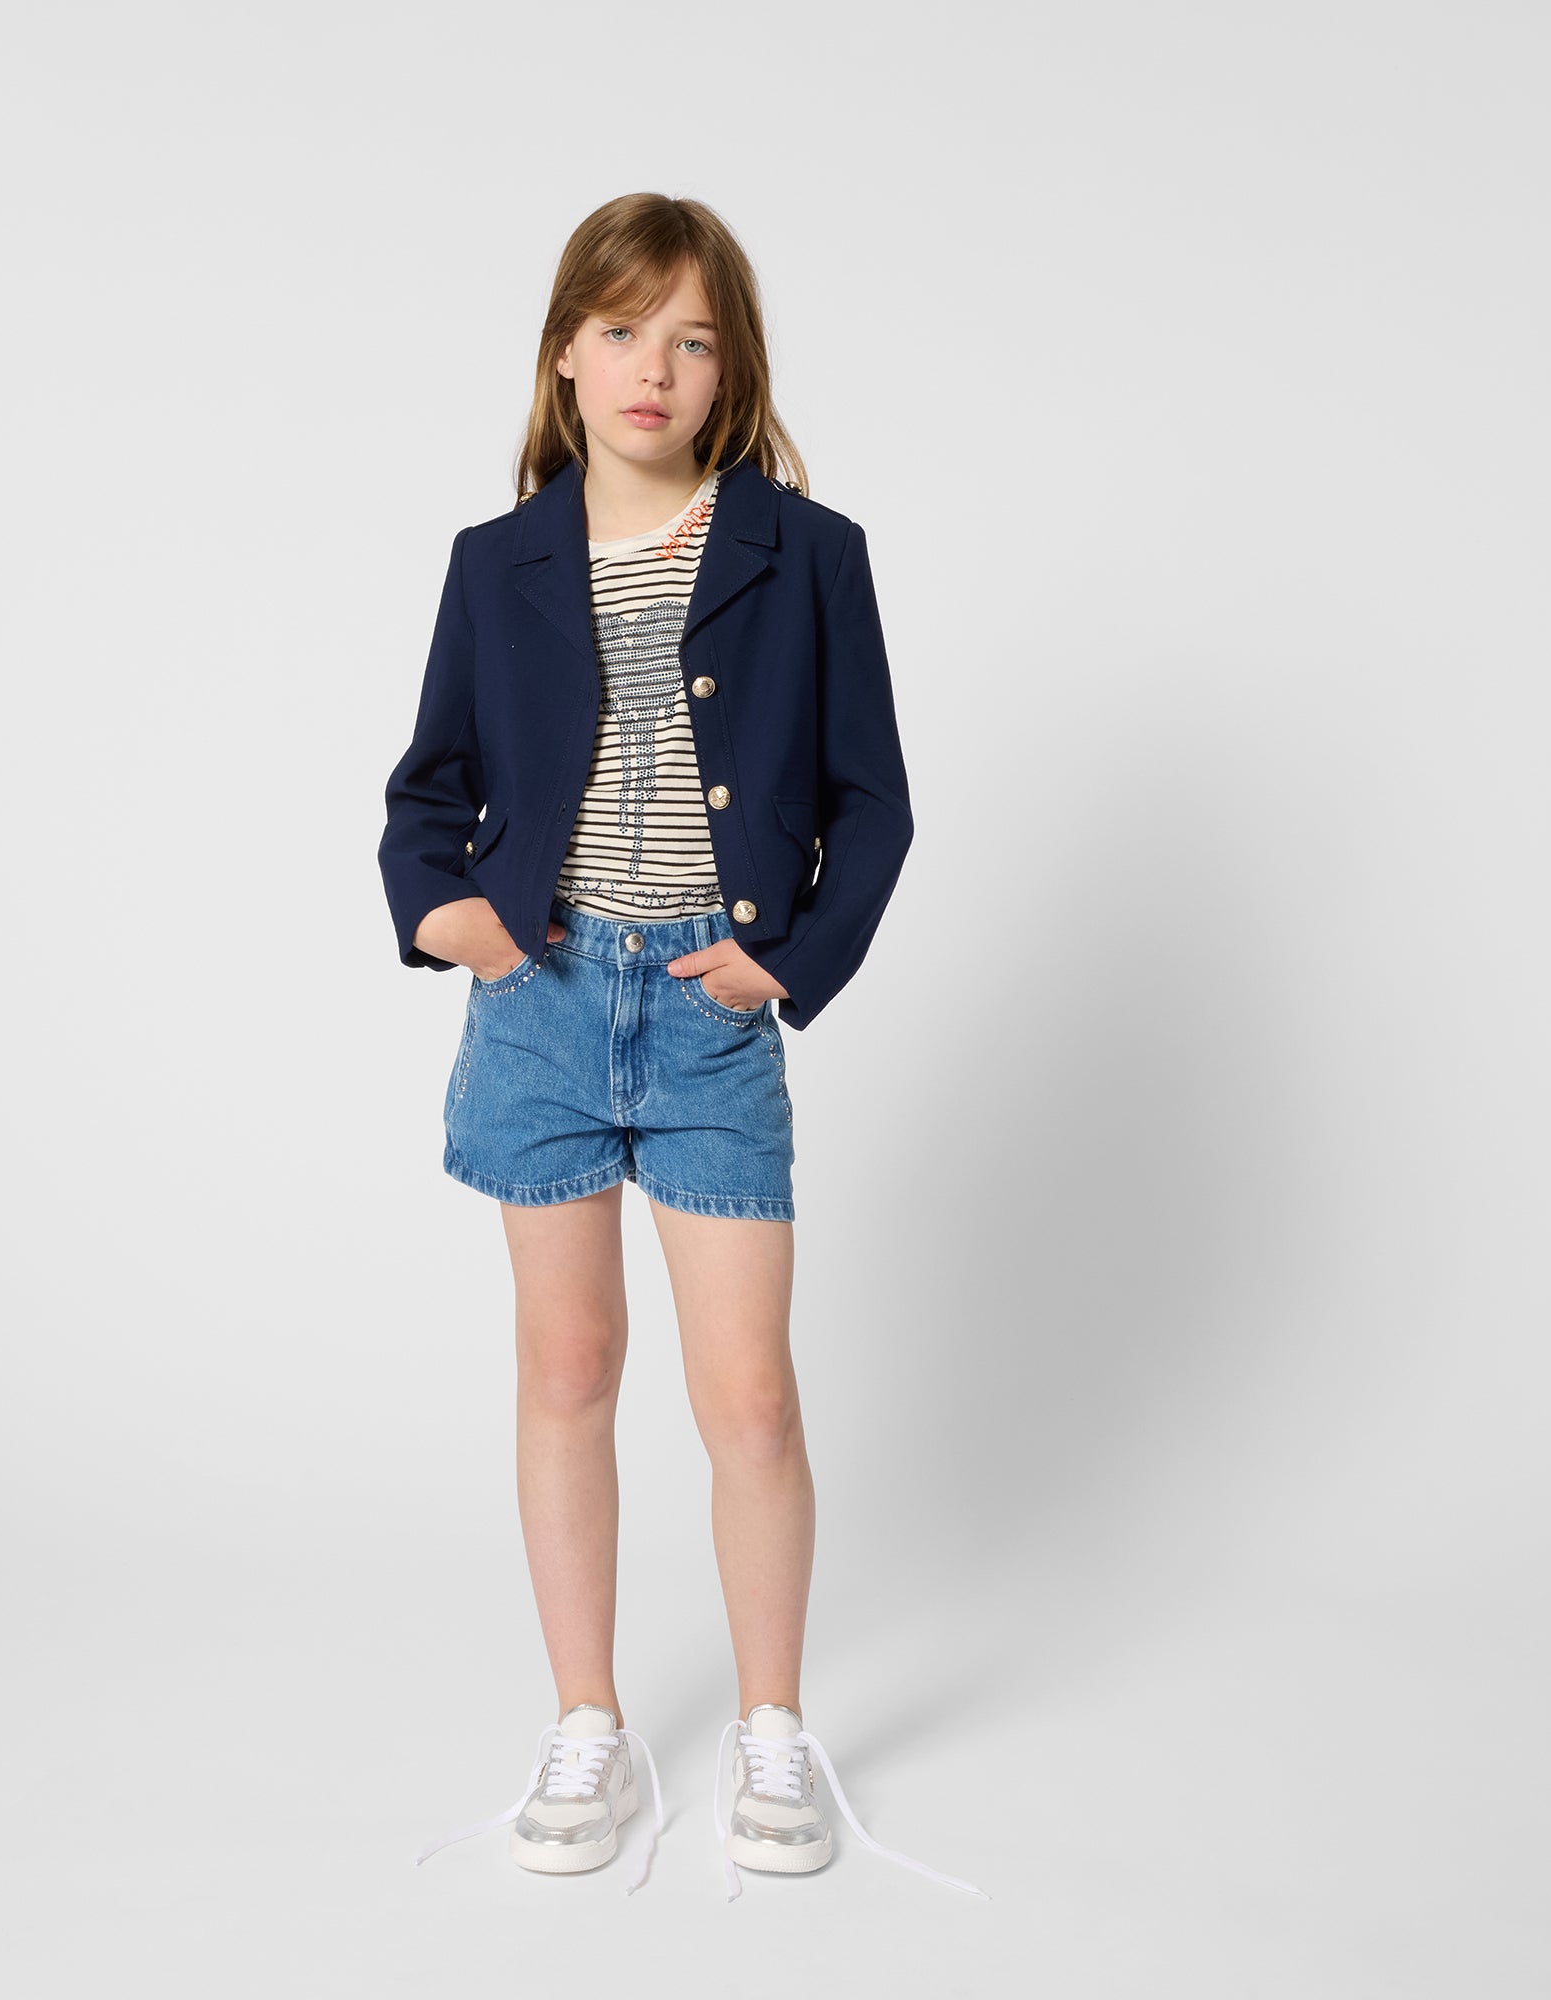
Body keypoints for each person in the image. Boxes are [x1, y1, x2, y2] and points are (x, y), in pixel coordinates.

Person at [379, 193, 984, 1904]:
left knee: (752, 1399)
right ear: (566, 353)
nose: (657, 365)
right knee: (567, 1373)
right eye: (624, 329)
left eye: (694, 337)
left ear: (734, 372)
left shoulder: (809, 554)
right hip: (542, 1008)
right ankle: (590, 1723)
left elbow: (873, 802)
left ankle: (772, 1726)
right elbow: (427, 791)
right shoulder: (494, 562)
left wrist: (788, 962)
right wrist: (453, 918)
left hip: (712, 1016)